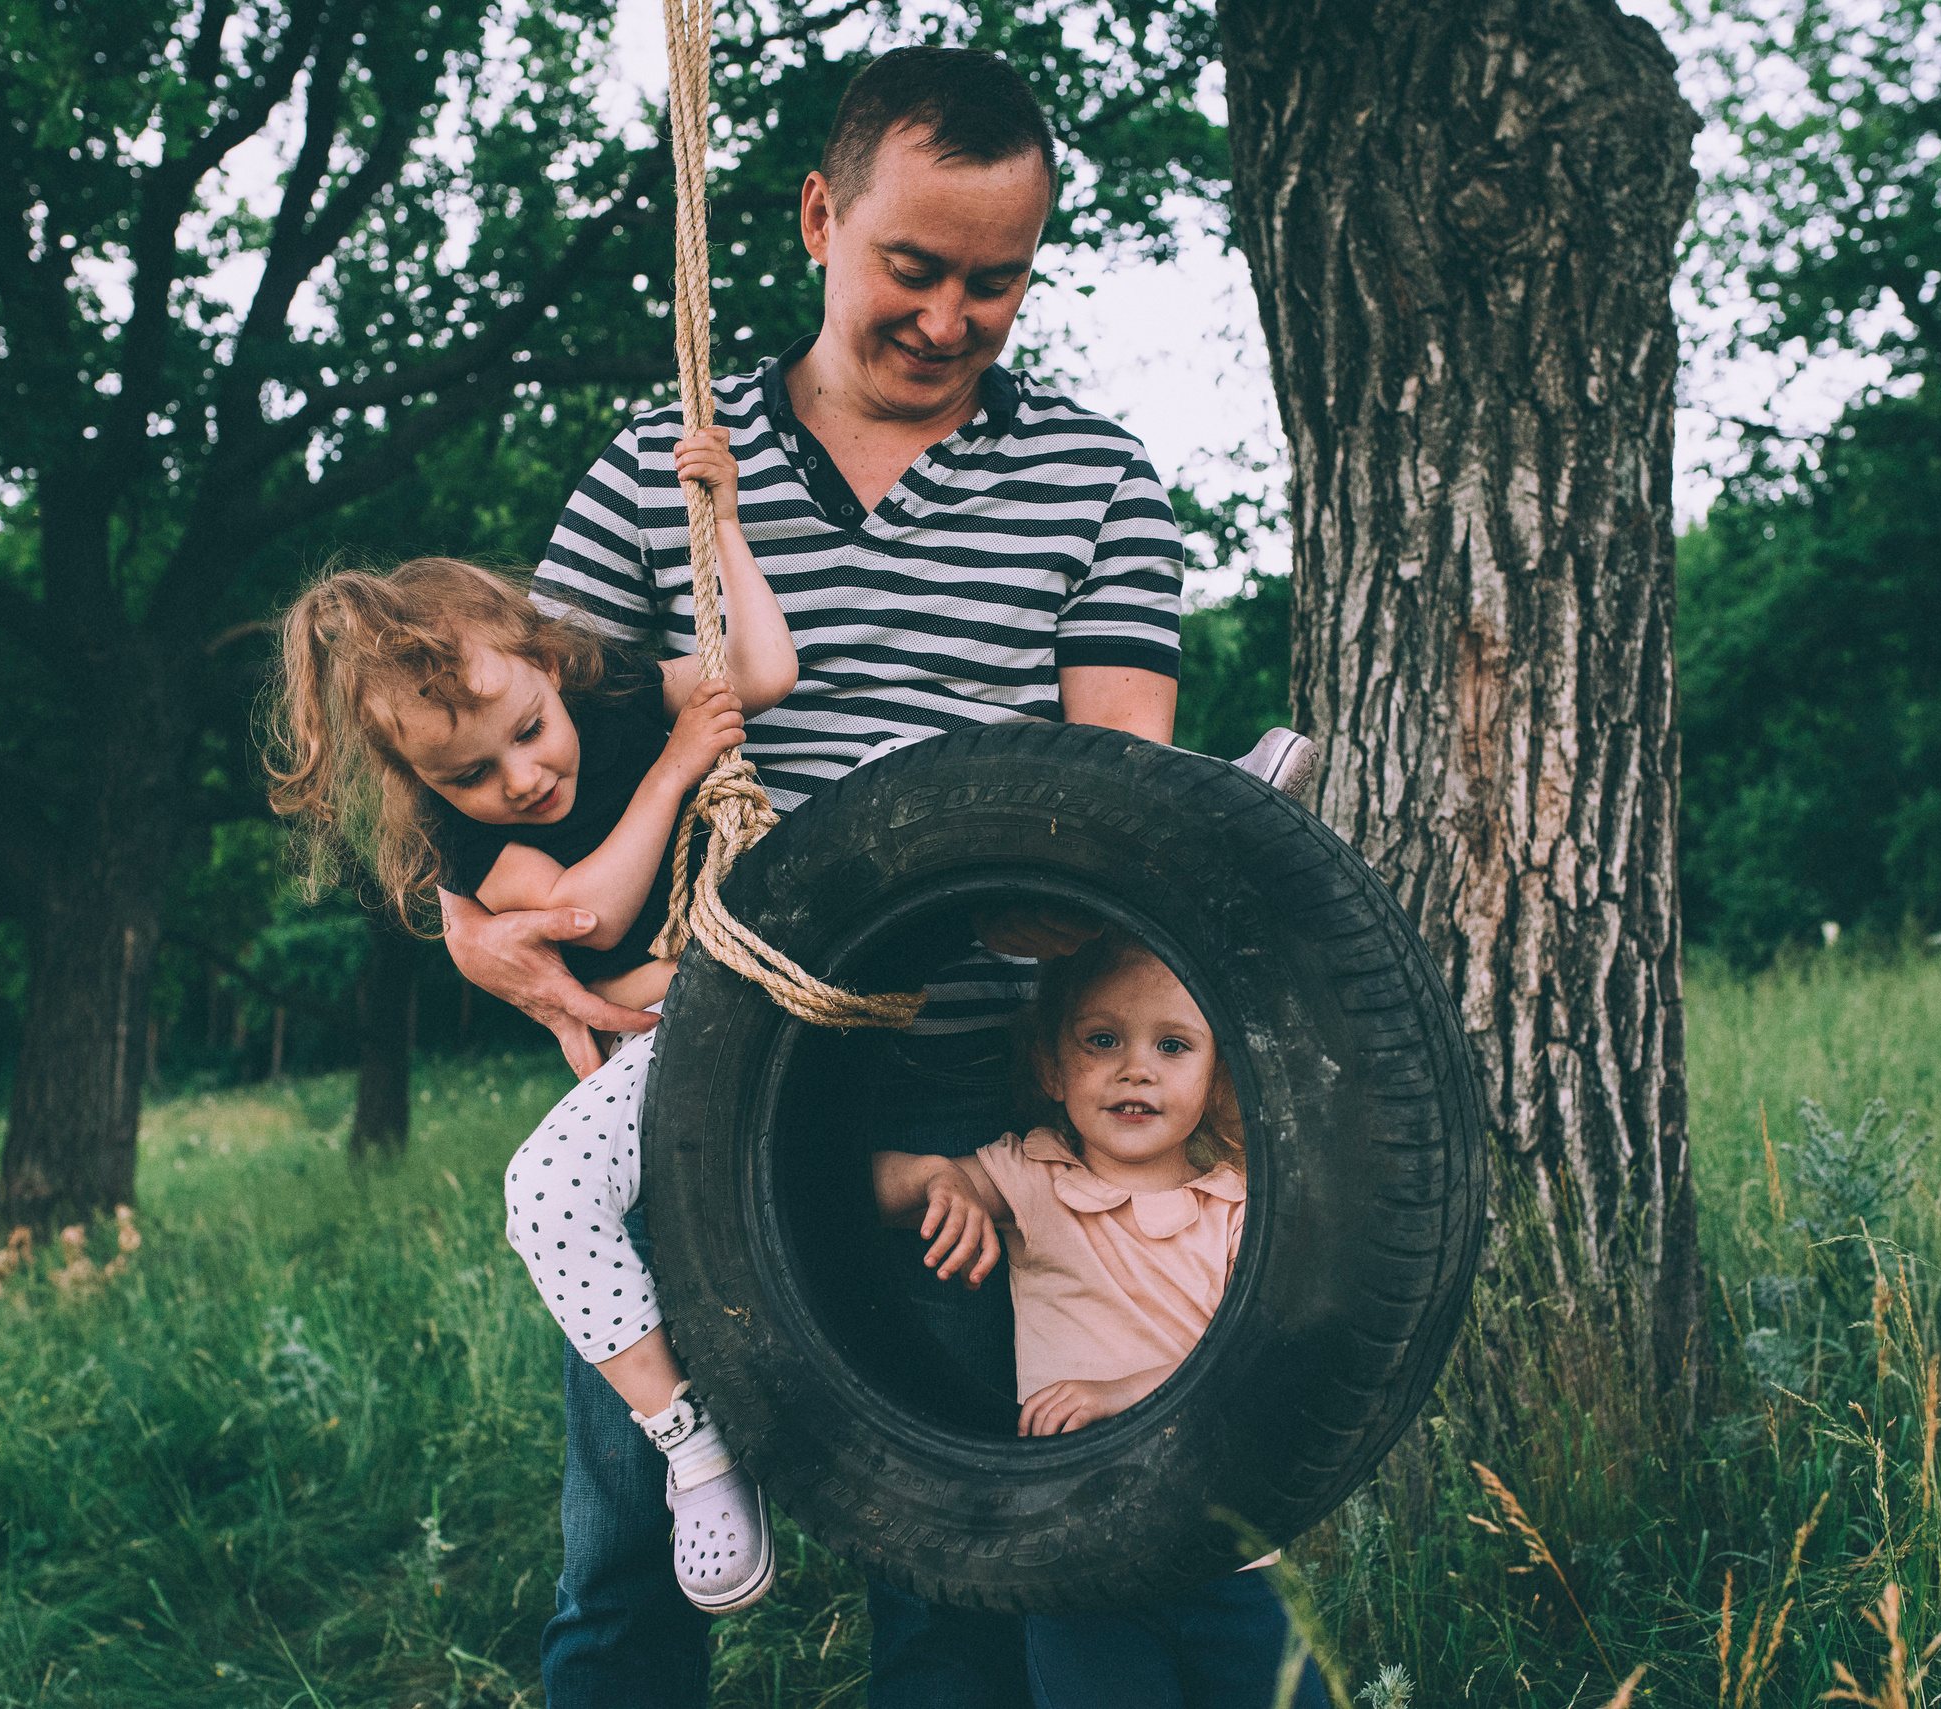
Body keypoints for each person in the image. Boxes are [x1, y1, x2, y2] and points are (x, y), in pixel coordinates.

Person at [437, 45, 1309, 1709]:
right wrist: (471, 923)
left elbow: (1106, 810)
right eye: (915, 265)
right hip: (695, 1087)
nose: (951, 313)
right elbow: (502, 771)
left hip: (967, 1110)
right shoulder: (656, 473)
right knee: (629, 1558)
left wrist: (1054, 891)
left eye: (998, 279)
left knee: (952, 1571)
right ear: (823, 218)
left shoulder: (1104, 486)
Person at [263, 429, 796, 1617]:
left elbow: (758, 675)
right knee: (545, 1194)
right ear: (424, 787)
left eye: (523, 725)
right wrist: (672, 774)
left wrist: (726, 525)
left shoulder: (603, 695)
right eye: (467, 770)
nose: (518, 774)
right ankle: (691, 1444)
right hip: (664, 1045)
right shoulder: (465, 848)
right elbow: (588, 905)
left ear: (543, 659)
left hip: (771, 992)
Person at [871, 934, 1330, 1709]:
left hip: (1225, 1560)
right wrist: (935, 1175)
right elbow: (869, 1191)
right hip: (1076, 1561)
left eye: (1173, 1044)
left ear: (1217, 1073)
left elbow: (1265, 1363)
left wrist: (1125, 1394)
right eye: (1102, 1040)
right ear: (1053, 1065)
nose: (1135, 1067)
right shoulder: (1031, 1175)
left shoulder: (1239, 1211)